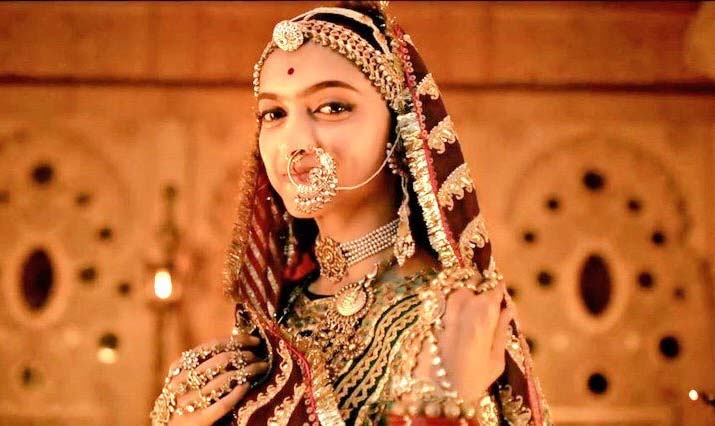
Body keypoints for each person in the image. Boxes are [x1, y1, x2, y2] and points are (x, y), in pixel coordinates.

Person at [151, 2, 551, 425]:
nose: (294, 141)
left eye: (332, 107)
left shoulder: (451, 313)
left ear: (400, 130)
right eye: (274, 114)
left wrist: (439, 399)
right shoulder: (280, 311)